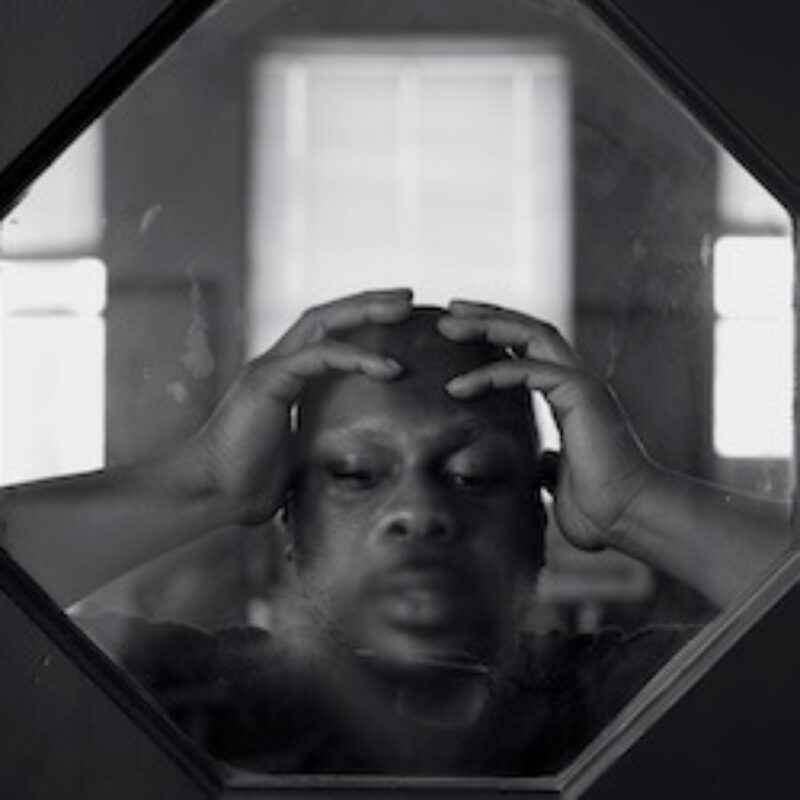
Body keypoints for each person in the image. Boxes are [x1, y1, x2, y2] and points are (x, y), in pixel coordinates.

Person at [0, 289, 791, 776]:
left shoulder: (623, 705)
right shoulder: (174, 697)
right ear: (290, 517)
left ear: (537, 518)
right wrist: (204, 480)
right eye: (354, 473)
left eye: (475, 475)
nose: (418, 510)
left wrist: (636, 503)